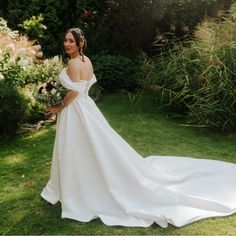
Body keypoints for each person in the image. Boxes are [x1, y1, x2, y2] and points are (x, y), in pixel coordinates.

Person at [41, 28, 236, 228]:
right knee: (91, 147)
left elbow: (73, 91)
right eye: (65, 40)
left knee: (76, 148)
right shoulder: (86, 61)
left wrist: (58, 106)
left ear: (80, 43)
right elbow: (83, 87)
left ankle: (79, 188)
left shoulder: (73, 63)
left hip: (76, 110)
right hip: (86, 107)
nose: (67, 44)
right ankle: (79, 183)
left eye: (71, 41)